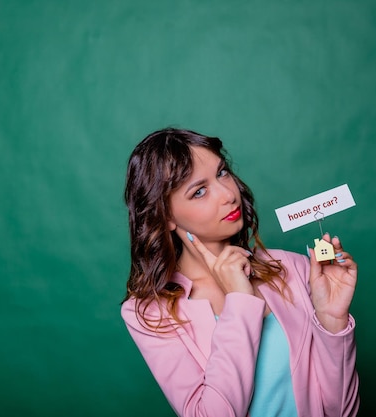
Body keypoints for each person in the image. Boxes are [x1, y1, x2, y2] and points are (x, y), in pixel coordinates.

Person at [121, 127, 359, 417]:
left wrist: (332, 322)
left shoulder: (293, 269)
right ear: (166, 215)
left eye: (222, 173)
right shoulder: (151, 314)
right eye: (199, 191)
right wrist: (239, 301)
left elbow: (340, 412)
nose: (227, 195)